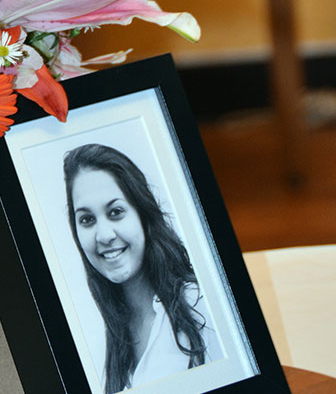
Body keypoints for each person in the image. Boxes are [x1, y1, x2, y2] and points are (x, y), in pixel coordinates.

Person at [63, 144, 222, 393]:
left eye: (115, 212)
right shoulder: (95, 336)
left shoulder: (200, 305)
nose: (103, 236)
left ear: (143, 214)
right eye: (87, 219)